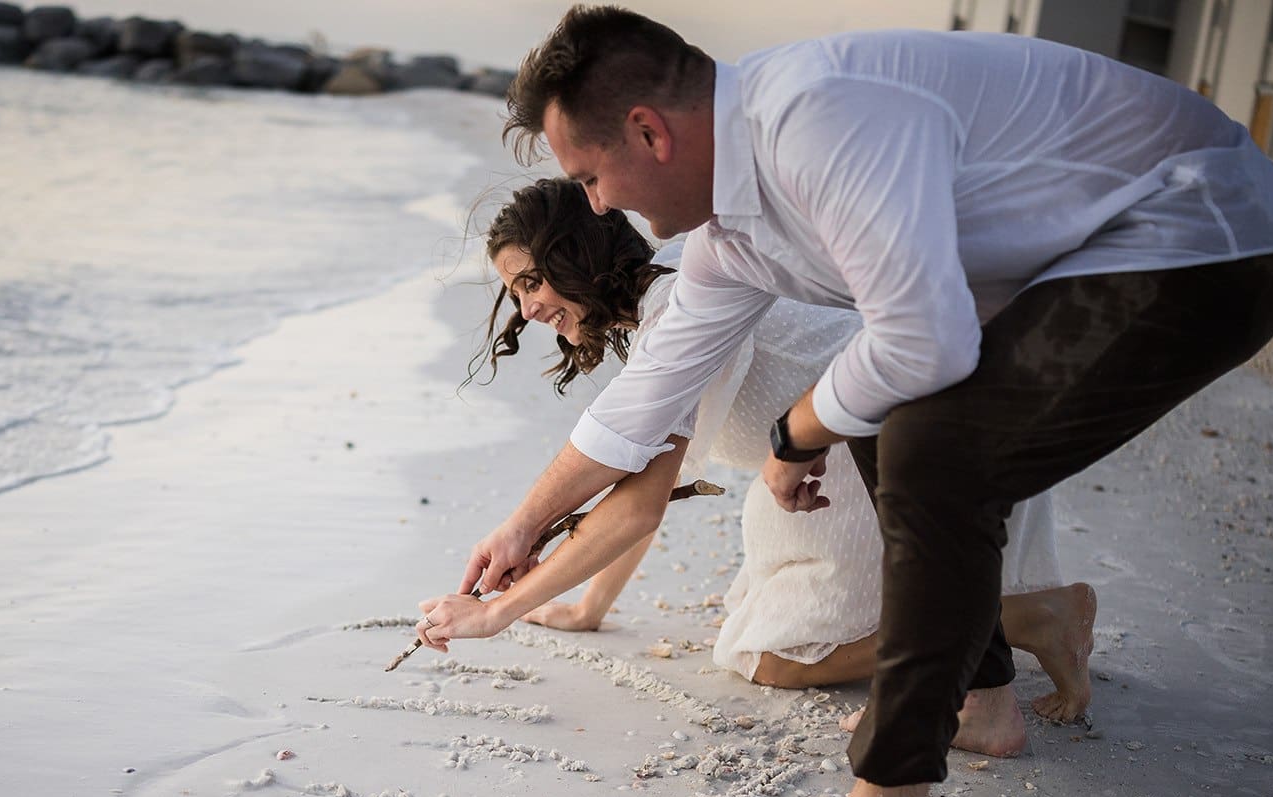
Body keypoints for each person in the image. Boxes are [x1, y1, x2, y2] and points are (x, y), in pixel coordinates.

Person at [419, 7, 1273, 797]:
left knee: (926, 442)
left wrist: (795, 435)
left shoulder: (814, 116)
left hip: (1201, 226)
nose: (598, 204)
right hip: (1085, 263)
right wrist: (522, 526)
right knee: (889, 416)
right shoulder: (732, 237)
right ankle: (985, 700)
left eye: (591, 176)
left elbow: (924, 342)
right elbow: (634, 415)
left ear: (649, 130)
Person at [441, 176, 1095, 727]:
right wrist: (590, 607)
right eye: (516, 294)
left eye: (532, 283)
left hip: (889, 452)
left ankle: (1023, 616)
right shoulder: (670, 293)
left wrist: (499, 611)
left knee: (771, 658)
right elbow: (644, 479)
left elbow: (639, 504)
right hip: (883, 438)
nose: (527, 310)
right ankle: (994, 620)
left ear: (575, 252)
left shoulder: (680, 312)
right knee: (762, 611)